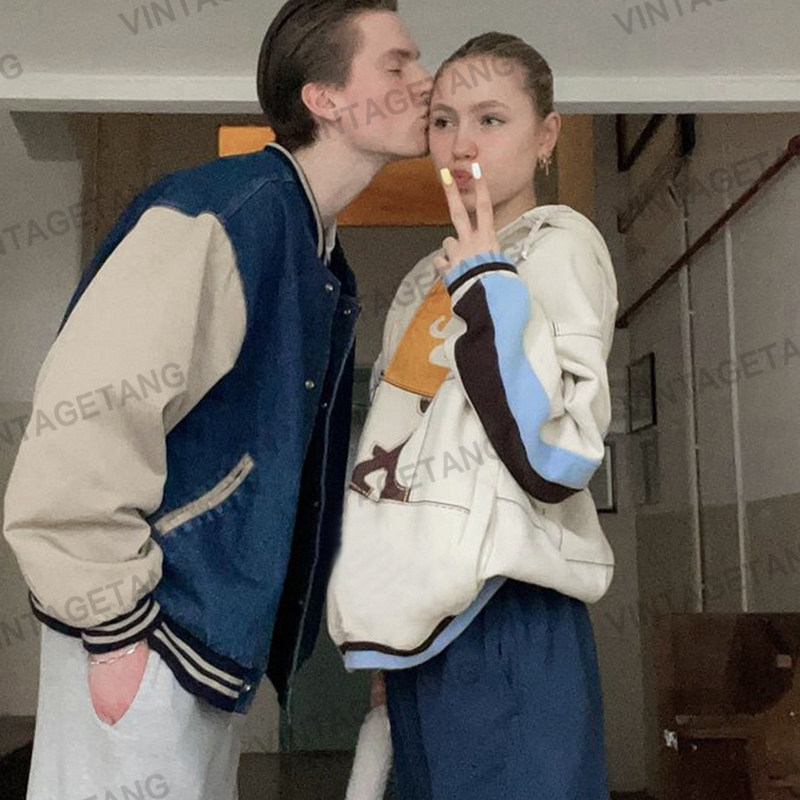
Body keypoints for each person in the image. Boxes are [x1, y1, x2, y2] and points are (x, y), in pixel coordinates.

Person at [1, 1, 432, 798]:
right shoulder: (229, 215)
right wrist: (115, 632)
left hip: (194, 643)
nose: (424, 80)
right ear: (325, 98)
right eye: (397, 64)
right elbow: (85, 417)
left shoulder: (311, 246)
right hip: (143, 633)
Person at [327, 33, 618, 799]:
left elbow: (555, 456)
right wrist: (390, 628)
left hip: (509, 616)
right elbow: (393, 464)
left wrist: (488, 280)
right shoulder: (420, 281)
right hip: (422, 639)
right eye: (444, 121)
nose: (461, 144)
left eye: (491, 119)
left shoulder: (560, 246)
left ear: (546, 135)